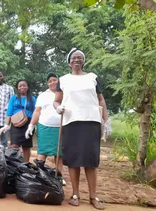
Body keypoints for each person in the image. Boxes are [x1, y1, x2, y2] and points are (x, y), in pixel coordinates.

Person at [53, 48, 111, 210]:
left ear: (83, 61)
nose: (77, 60)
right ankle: (75, 194)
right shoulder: (63, 79)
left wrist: (106, 121)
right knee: (73, 159)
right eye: (74, 58)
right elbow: (57, 101)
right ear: (69, 61)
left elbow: (101, 100)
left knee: (91, 160)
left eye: (80, 58)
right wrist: (58, 108)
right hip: (71, 122)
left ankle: (93, 196)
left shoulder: (92, 77)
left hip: (91, 121)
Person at [25, 72, 66, 185]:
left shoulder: (65, 93)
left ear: (58, 81)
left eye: (54, 80)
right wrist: (31, 126)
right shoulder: (43, 95)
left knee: (58, 154)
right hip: (44, 127)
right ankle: (40, 174)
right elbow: (37, 111)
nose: (52, 82)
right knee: (42, 151)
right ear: (47, 84)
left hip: (61, 127)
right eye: (50, 81)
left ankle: (58, 176)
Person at [0, 80, 36, 162]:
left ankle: (26, 164)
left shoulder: (32, 99)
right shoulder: (14, 98)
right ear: (17, 88)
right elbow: (9, 112)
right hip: (16, 124)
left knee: (26, 146)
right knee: (14, 145)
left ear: (28, 87)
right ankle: (14, 164)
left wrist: (32, 125)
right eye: (20, 86)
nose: (22, 87)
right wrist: (6, 125)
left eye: (24, 85)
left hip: (28, 124)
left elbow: (36, 112)